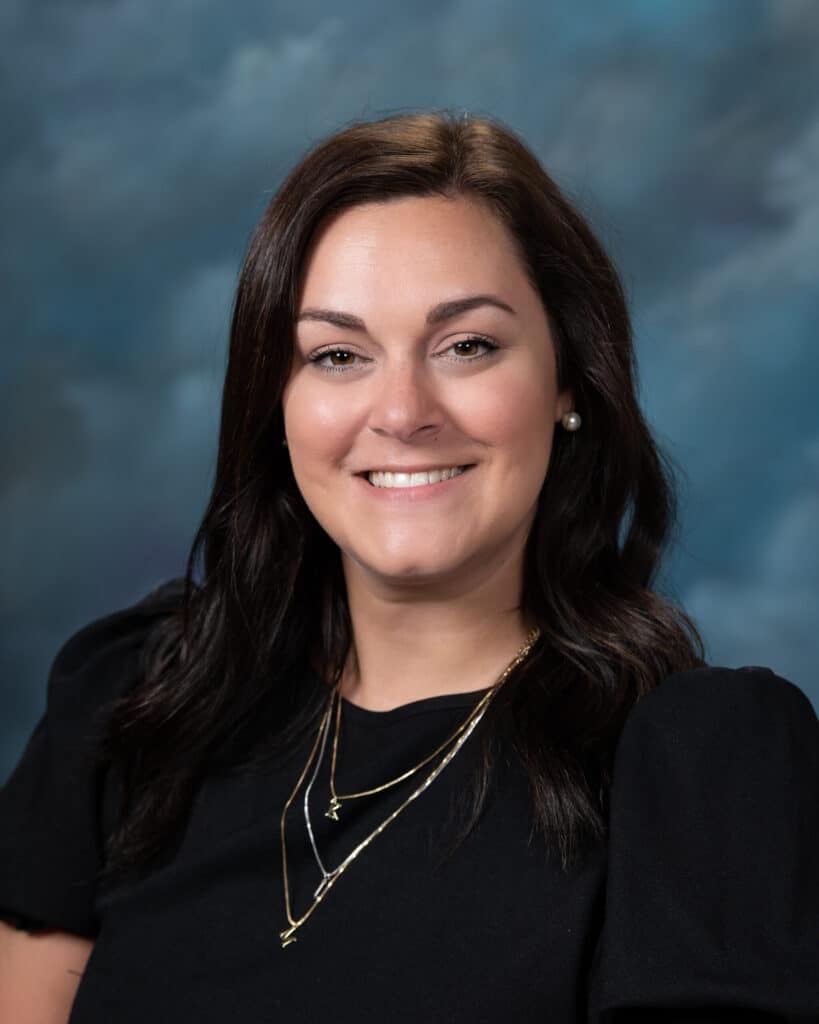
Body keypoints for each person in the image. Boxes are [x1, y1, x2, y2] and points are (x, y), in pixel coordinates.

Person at [0, 110, 817, 1024]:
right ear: (278, 401)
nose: (401, 411)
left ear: (569, 383)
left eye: (467, 345)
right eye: (338, 355)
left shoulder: (702, 766)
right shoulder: (140, 700)